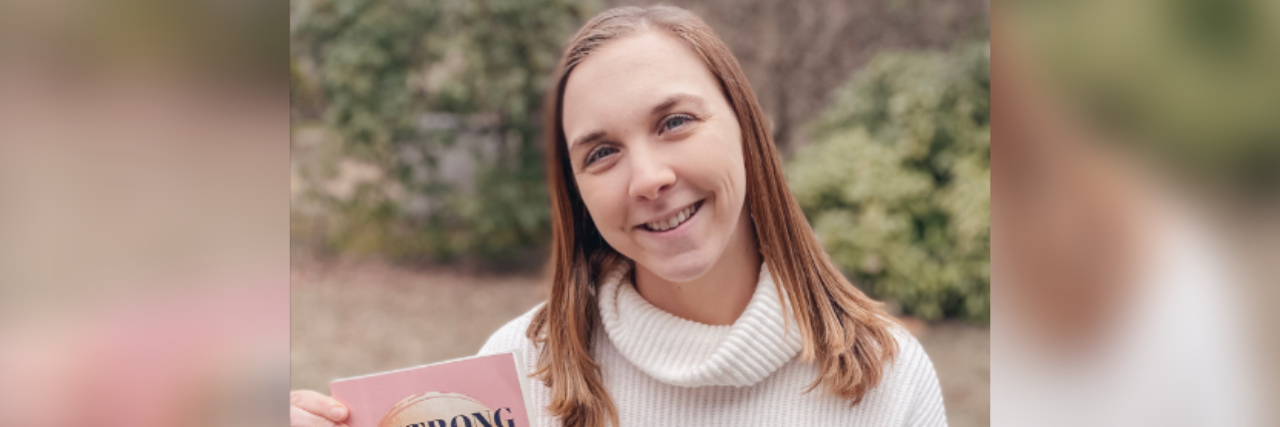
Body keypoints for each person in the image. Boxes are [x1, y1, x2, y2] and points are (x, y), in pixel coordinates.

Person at [291, 6, 947, 427]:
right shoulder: (517, 373)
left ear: (748, 126)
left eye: (675, 122)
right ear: (575, 190)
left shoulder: (889, 376)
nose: (649, 177)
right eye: (602, 152)